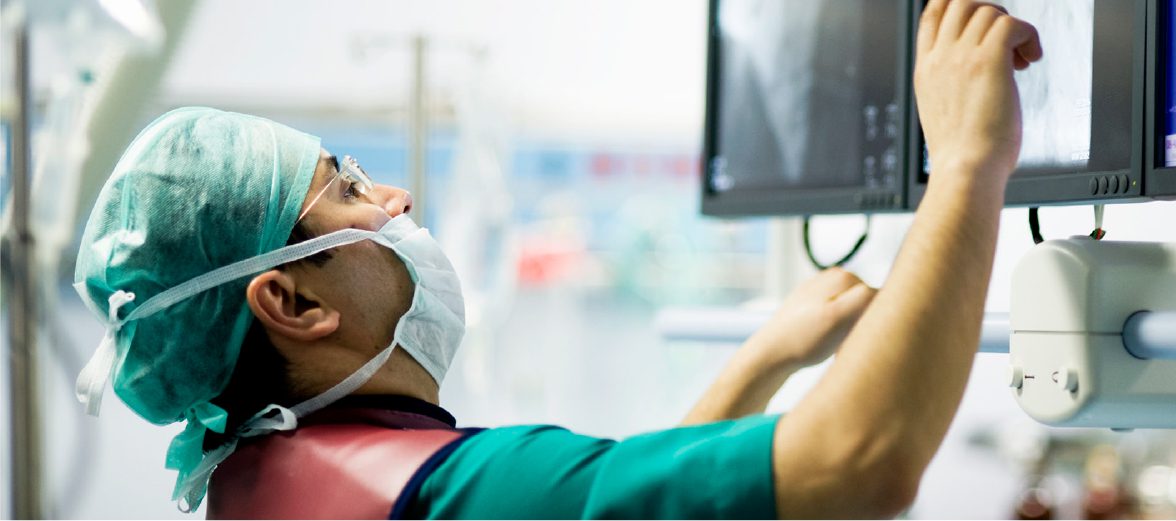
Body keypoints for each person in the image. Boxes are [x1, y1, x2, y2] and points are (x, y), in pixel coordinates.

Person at [71, 1, 1040, 518]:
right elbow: (860, 463)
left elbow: (625, 502)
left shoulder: (266, 472)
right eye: (349, 187)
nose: (396, 198)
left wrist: (765, 357)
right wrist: (966, 159)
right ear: (289, 302)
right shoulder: (451, 490)